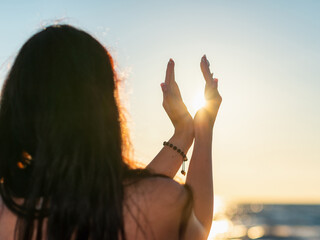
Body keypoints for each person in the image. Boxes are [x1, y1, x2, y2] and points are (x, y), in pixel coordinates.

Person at [0, 24, 222, 240]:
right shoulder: (161, 204)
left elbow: (125, 197)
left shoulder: (6, 210)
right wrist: (203, 130)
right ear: (103, 108)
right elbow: (194, 227)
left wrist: (183, 134)